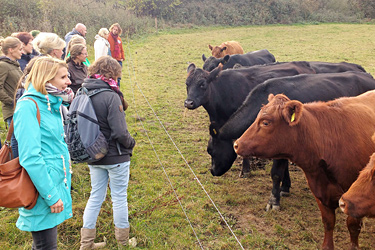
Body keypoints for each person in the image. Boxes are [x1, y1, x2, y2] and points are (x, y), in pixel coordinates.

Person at [13, 56, 74, 249]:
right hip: (41, 188)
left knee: (44, 245)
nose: (69, 81)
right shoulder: (28, 106)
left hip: (54, 182)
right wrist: (51, 195)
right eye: (63, 77)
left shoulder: (51, 104)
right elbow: (31, 157)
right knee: (45, 246)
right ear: (46, 79)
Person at [80, 56, 135, 249]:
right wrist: (131, 143)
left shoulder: (83, 91)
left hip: (93, 154)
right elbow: (120, 132)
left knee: (95, 195)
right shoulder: (110, 95)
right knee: (119, 196)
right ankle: (122, 242)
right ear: (113, 73)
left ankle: (86, 243)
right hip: (116, 154)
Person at [0, 36, 23, 157]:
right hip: (12, 110)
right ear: (10, 50)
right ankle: (14, 170)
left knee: (20, 139)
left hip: (20, 107)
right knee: (14, 140)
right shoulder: (3, 65)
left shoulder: (15, 64)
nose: (22, 52)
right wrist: (13, 102)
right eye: (19, 49)